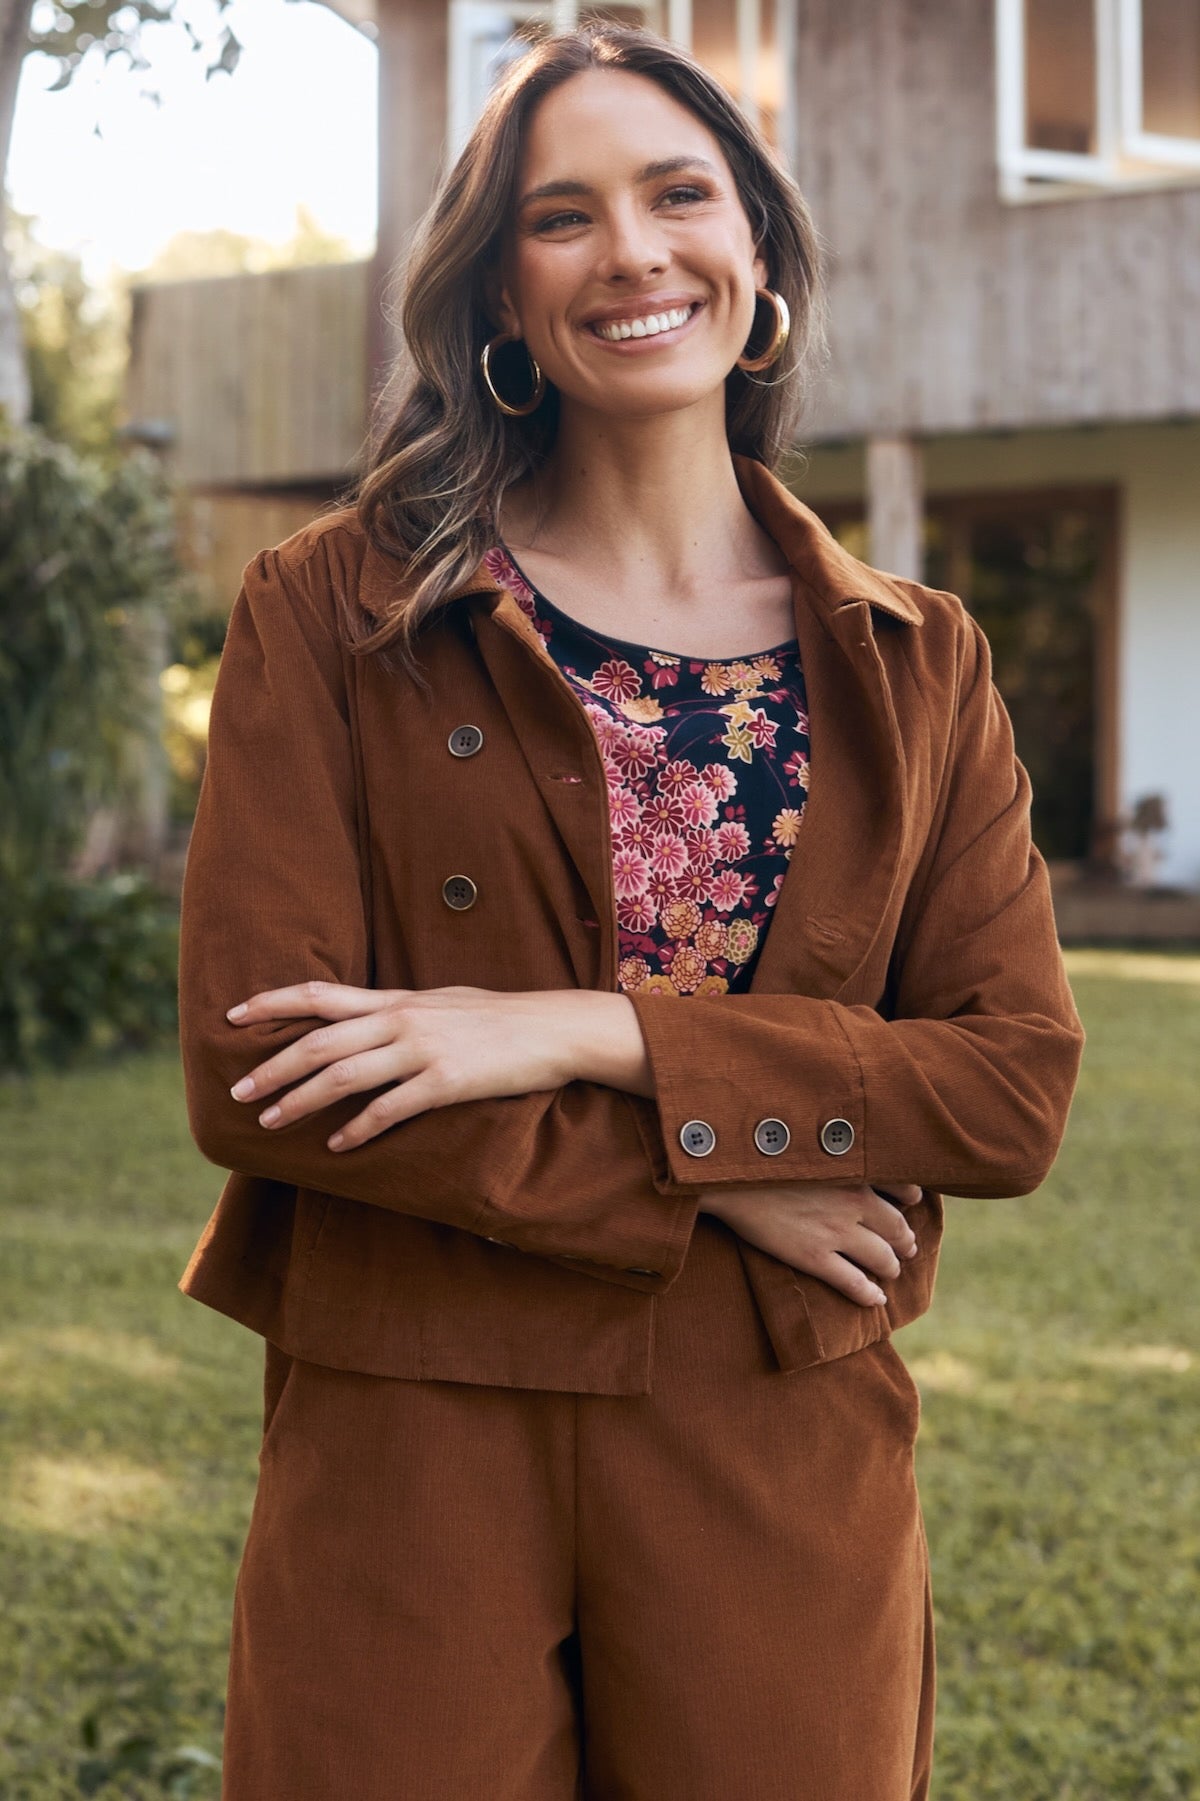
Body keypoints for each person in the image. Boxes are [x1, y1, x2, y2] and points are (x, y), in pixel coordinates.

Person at [177, 23, 1085, 1801]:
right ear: (501, 298)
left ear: (760, 256)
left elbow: (1010, 1086)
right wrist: (729, 1164)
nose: (636, 253)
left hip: (776, 1419)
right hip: (411, 1404)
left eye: (682, 194)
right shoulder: (331, 608)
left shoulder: (921, 660)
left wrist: (583, 1029)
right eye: (561, 217)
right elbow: (259, 1073)